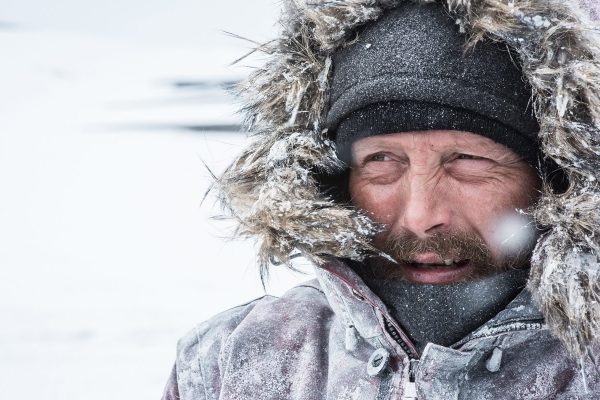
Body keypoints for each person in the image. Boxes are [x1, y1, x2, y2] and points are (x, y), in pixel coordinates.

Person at [162, 0, 600, 398]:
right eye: (382, 160)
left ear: (556, 180)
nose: (421, 216)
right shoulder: (228, 361)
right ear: (334, 183)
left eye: (467, 160)